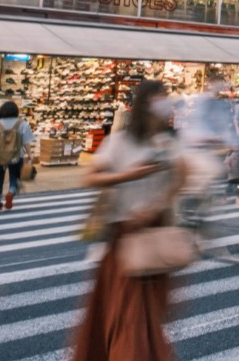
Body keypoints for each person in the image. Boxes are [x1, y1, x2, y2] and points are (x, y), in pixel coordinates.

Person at [74, 80, 191, 361]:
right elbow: (90, 177)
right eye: (160, 100)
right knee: (131, 318)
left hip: (152, 236)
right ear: (145, 105)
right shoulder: (120, 141)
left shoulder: (166, 142)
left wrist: (156, 206)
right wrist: (128, 176)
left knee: (144, 317)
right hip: (124, 240)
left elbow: (182, 175)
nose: (166, 106)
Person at [0, 100, 35, 212]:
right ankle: (11, 192)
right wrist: (30, 155)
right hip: (17, 156)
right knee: (15, 177)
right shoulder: (21, 124)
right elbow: (26, 142)